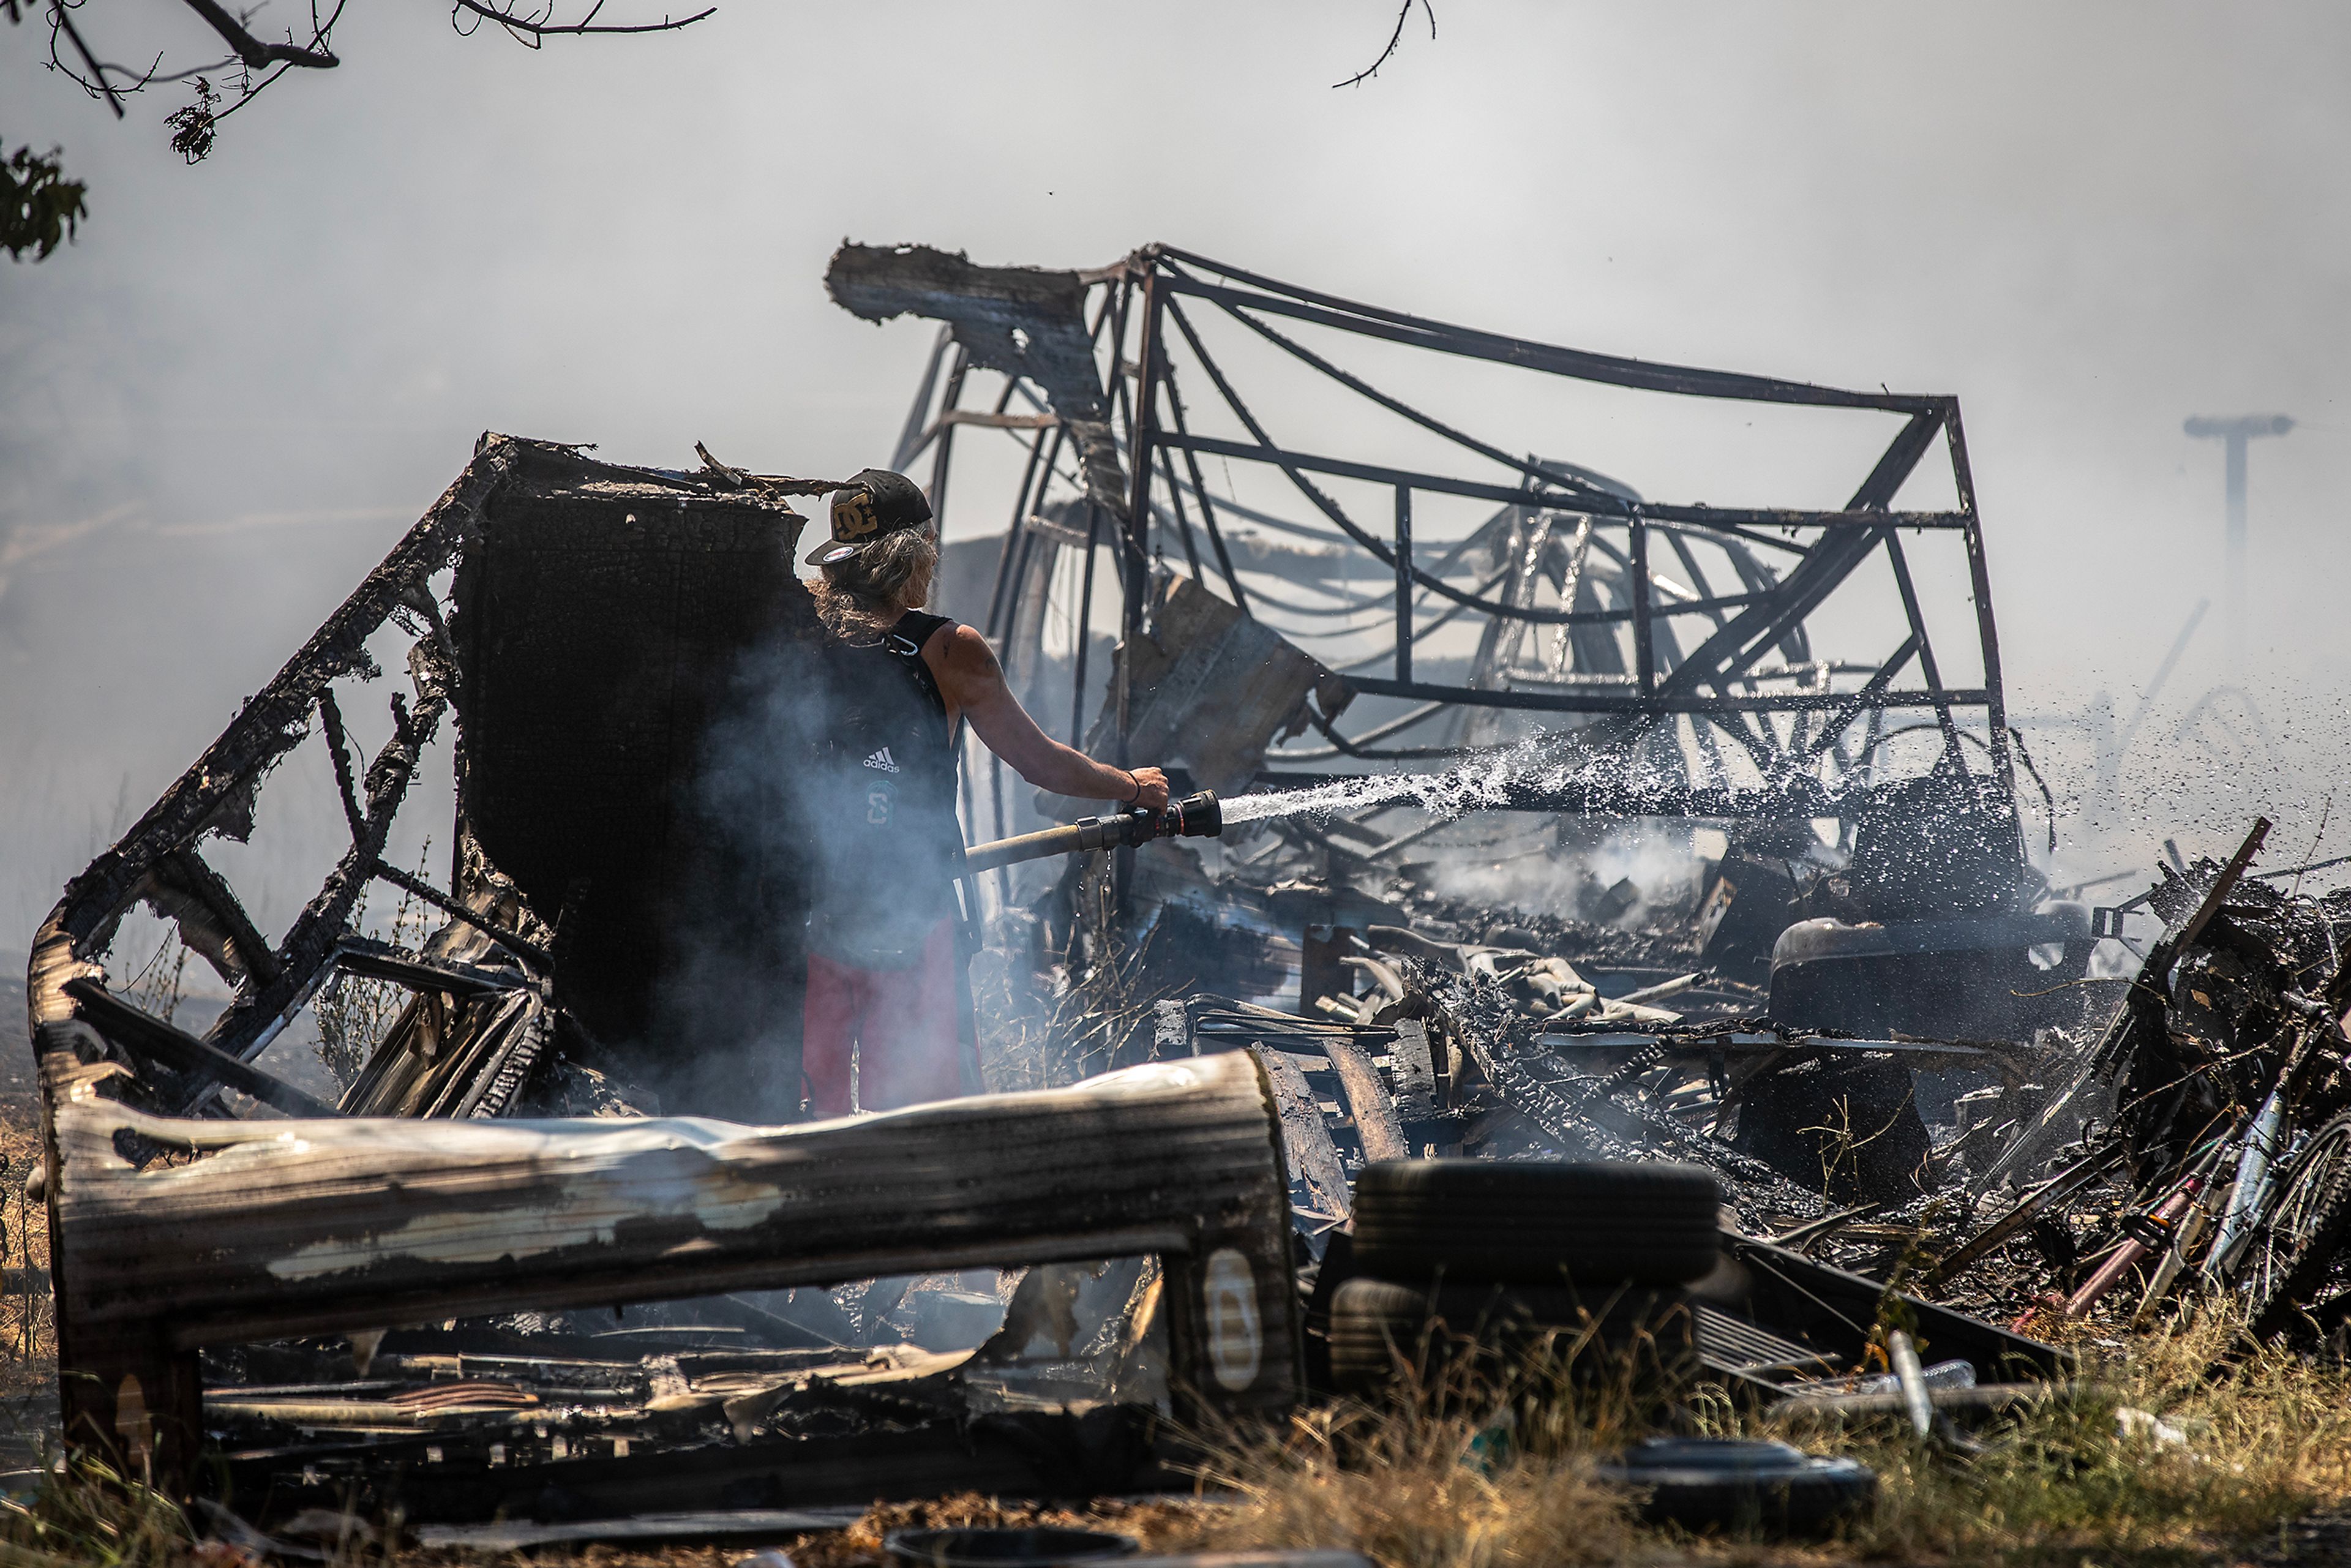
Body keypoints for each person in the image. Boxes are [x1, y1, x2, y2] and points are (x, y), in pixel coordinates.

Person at [799, 468, 1169, 1116]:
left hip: (814, 917)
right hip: (913, 923)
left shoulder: (804, 643)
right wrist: (1130, 784)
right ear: (911, 556)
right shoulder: (948, 650)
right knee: (923, 1118)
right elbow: (1042, 763)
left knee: (813, 1113)